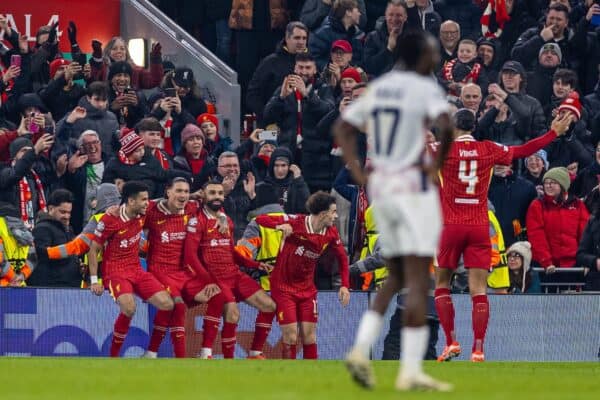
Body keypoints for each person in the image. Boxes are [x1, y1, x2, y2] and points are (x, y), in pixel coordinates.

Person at [336, 31, 454, 391]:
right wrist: (436, 165)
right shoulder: (421, 88)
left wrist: (360, 174)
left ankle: (362, 351)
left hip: (383, 189)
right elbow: (447, 127)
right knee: (419, 276)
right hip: (410, 189)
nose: (435, 58)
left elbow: (342, 127)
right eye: (432, 53)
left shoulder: (381, 87)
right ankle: (410, 369)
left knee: (401, 276)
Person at [434, 109, 573, 364]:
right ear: (474, 126)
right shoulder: (488, 148)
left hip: (451, 225)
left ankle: (451, 342)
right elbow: (524, 150)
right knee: (479, 289)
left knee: (442, 283)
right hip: (479, 225)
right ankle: (478, 349)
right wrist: (554, 132)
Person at [183, 181, 277, 359]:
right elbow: (190, 256)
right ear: (203, 195)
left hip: (234, 274)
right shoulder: (197, 221)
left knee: (269, 306)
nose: (217, 197)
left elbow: (231, 250)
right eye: (212, 193)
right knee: (233, 314)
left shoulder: (227, 220)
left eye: (220, 193)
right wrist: (207, 280)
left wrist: (254, 264)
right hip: (215, 276)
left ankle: (255, 353)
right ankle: (215, 356)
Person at [255, 191, 350, 359]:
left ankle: (310, 378)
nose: (336, 216)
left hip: (307, 289)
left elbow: (342, 257)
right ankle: (289, 374)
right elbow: (260, 219)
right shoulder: (296, 221)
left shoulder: (331, 233)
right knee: (291, 336)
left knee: (309, 336)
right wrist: (279, 226)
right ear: (323, 214)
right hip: (283, 287)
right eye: (333, 212)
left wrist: (344, 285)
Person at [142, 178, 227, 358]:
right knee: (178, 306)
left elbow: (215, 207)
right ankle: (181, 359)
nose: (183, 196)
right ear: (168, 192)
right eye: (179, 191)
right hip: (160, 270)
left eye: (186, 192)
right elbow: (132, 208)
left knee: (218, 296)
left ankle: (205, 352)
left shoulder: (192, 207)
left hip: (184, 272)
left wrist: (223, 217)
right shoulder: (152, 209)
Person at [88, 181, 174, 357]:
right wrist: (95, 281)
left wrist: (195, 196)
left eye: (147, 199)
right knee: (129, 308)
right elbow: (93, 249)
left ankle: (151, 353)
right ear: (131, 201)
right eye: (143, 200)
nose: (146, 203)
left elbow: (163, 201)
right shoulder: (110, 219)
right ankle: (114, 356)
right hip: (115, 271)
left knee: (167, 304)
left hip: (135, 269)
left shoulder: (142, 211)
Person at [526, 167, 589, 281]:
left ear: (563, 185)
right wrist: (546, 261)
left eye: (553, 183)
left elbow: (585, 234)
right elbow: (536, 235)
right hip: (547, 266)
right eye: (546, 183)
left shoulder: (578, 205)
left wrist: (585, 260)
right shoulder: (537, 205)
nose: (549, 186)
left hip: (573, 265)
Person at [246, 21, 309, 126]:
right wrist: (267, 115)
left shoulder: (312, 64)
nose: (301, 42)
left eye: (304, 38)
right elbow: (252, 96)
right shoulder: (270, 62)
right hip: (272, 127)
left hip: (302, 127)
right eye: (297, 38)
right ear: (287, 38)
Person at [29, 189, 81, 287]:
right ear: (51, 208)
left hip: (69, 287)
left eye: (69, 213)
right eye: (63, 212)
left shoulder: (68, 229)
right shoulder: (42, 228)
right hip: (51, 289)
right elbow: (42, 255)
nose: (67, 216)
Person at [363, 0, 410, 77]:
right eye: (391, 15)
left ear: (405, 17)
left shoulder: (413, 39)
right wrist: (388, 49)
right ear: (385, 15)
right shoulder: (372, 37)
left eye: (399, 15)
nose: (394, 19)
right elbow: (369, 68)